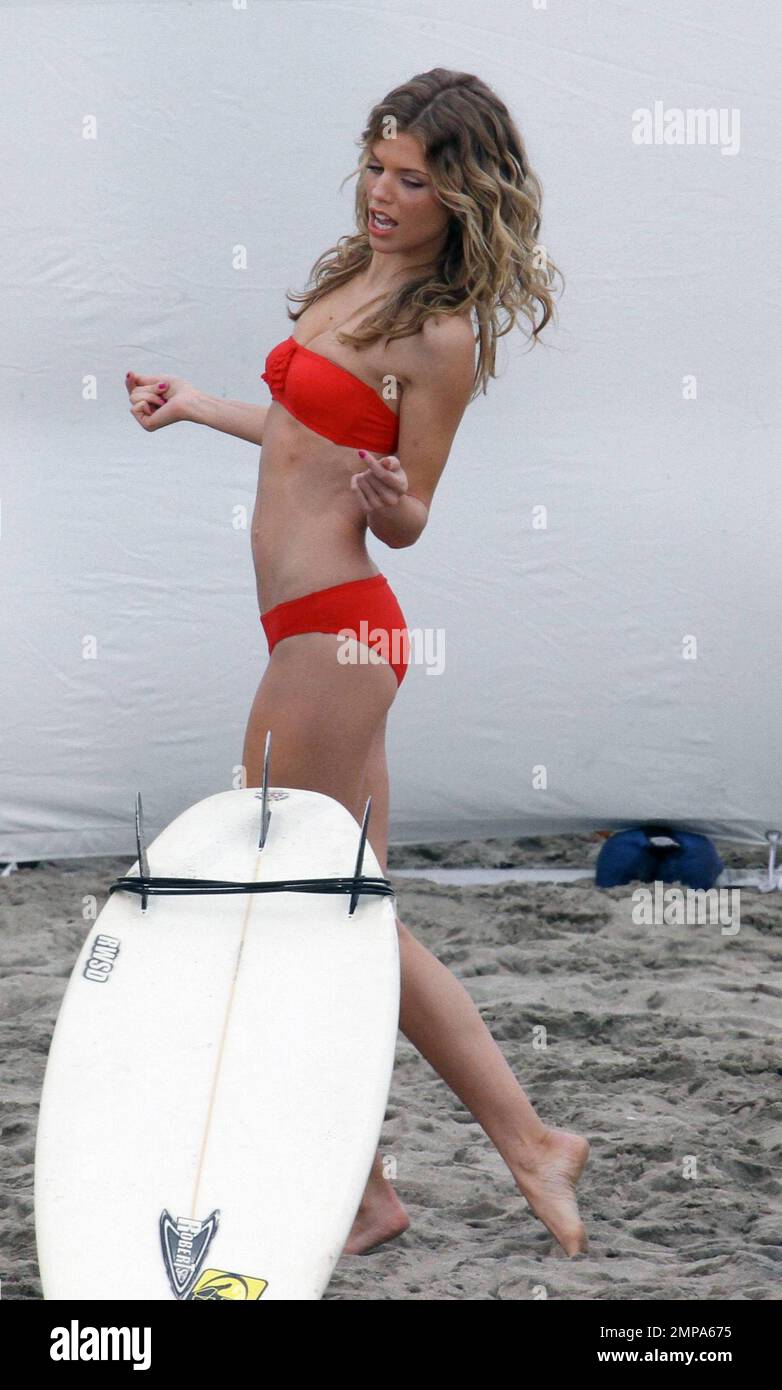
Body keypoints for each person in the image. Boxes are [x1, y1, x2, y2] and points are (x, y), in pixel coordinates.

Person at [125, 67, 589, 1258]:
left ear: (461, 195)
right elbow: (301, 435)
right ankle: (407, 1178)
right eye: (376, 168)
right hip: (309, 633)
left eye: (412, 181)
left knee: (287, 907)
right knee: (344, 917)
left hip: (338, 632)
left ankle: (503, 1146)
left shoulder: (440, 335)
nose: (382, 195)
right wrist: (197, 404)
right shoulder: (348, 278)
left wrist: (393, 501)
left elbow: (409, 509)